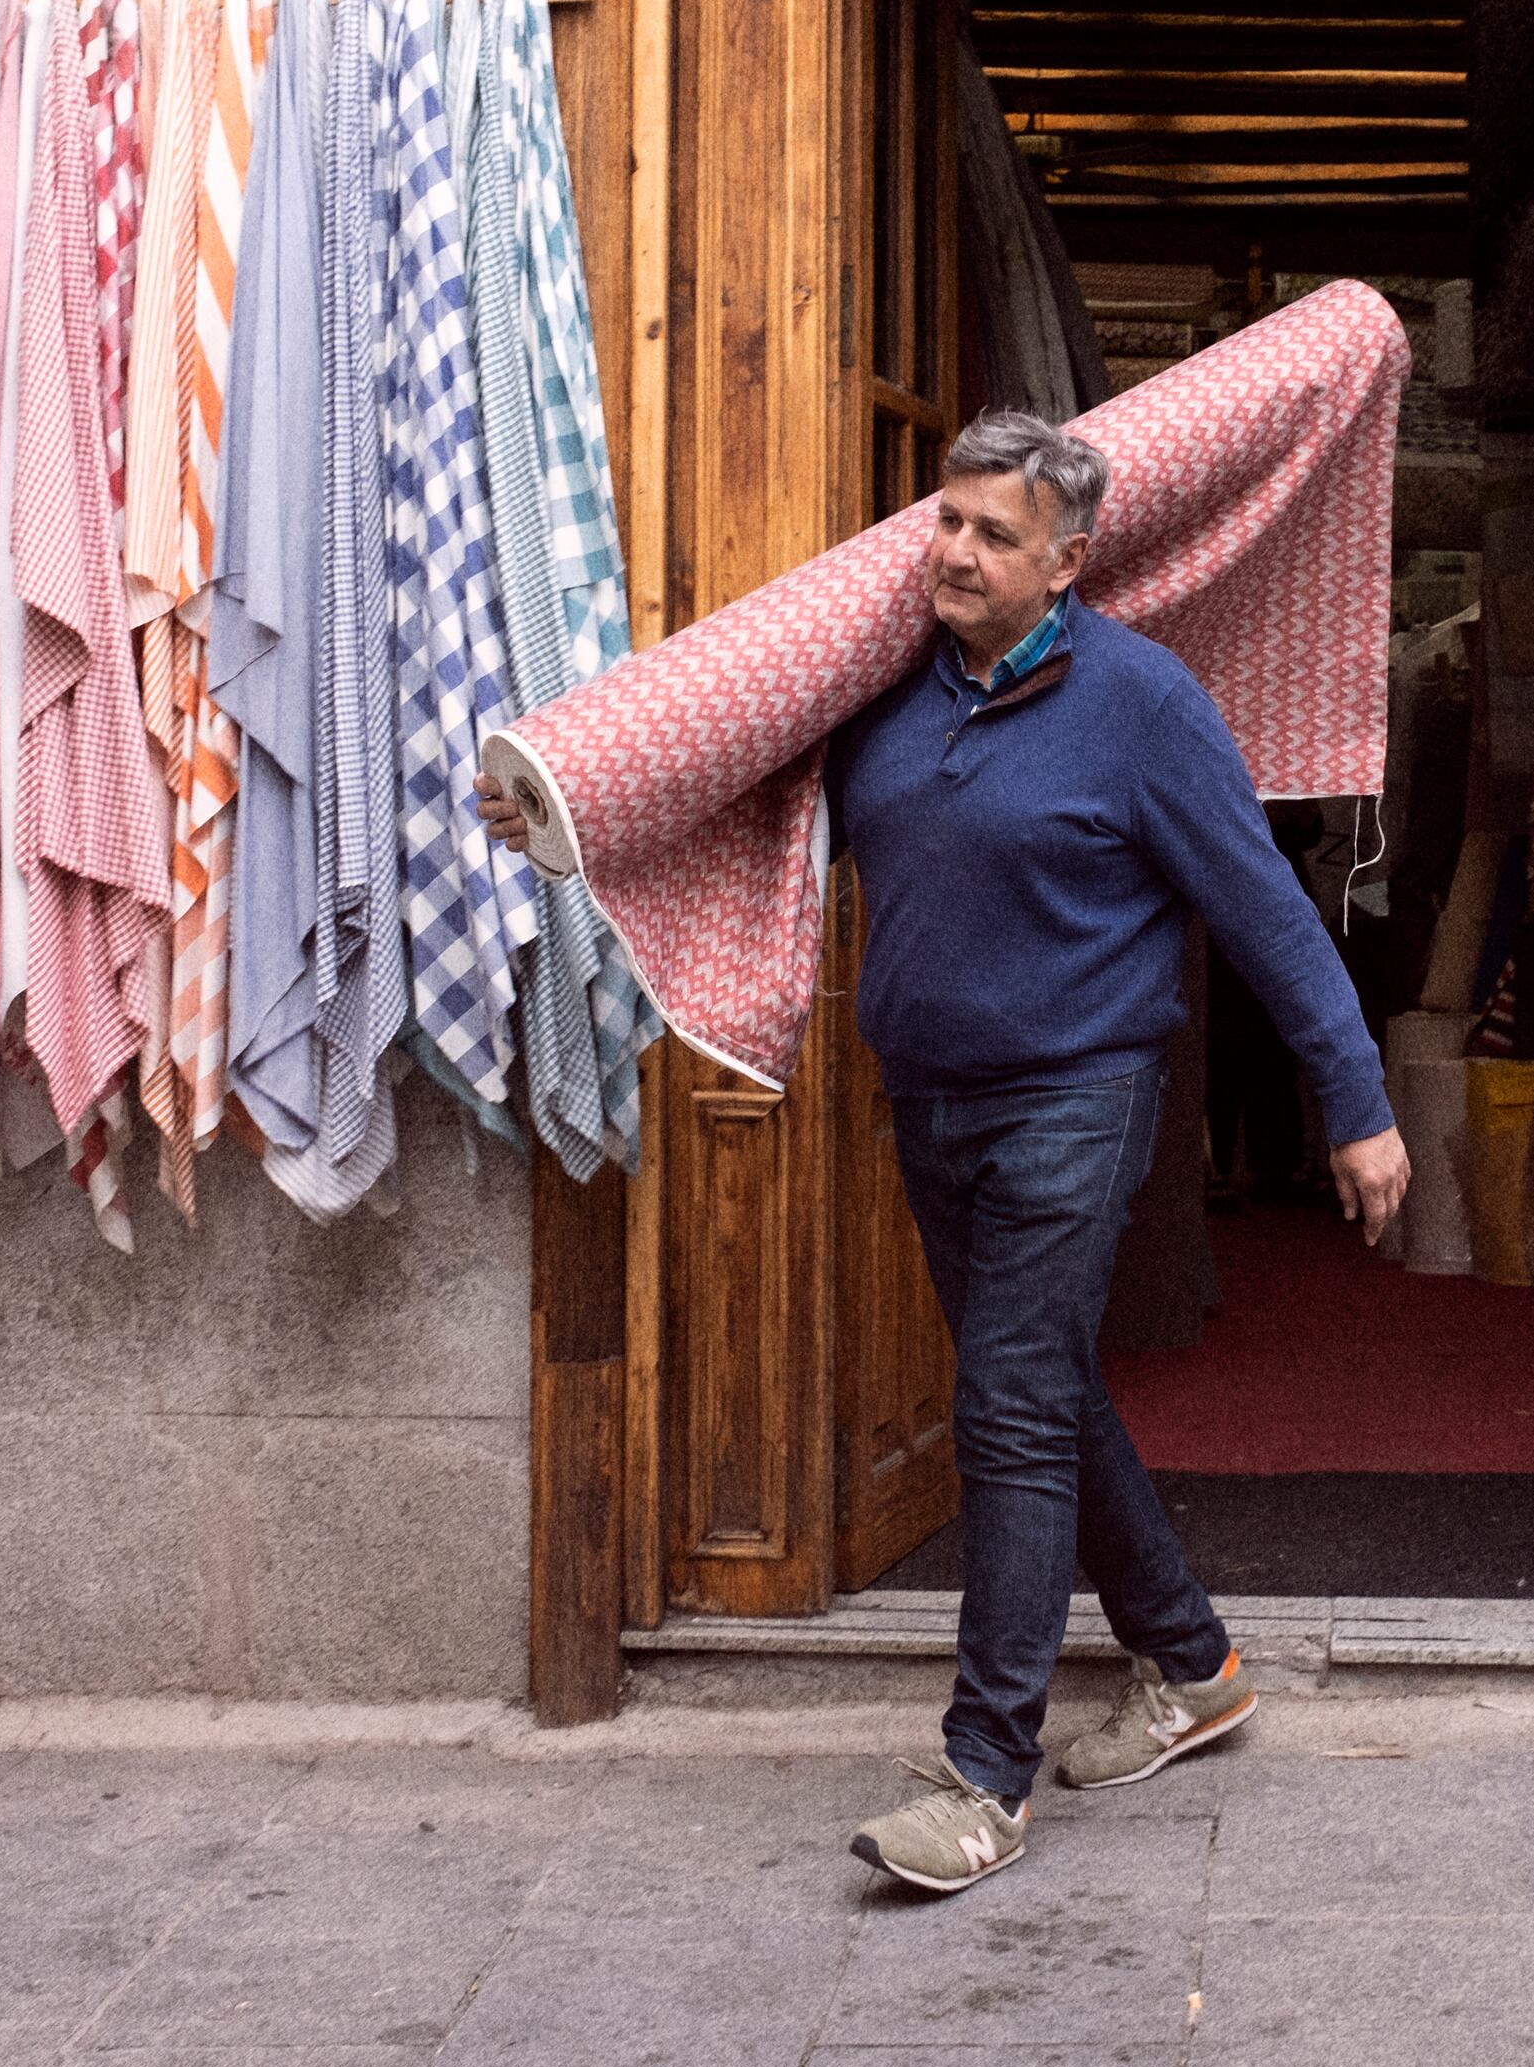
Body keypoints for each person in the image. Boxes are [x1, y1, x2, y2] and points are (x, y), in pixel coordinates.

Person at [482, 406, 1407, 1895]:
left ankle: (986, 1774)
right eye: (947, 522)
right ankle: (1196, 1662)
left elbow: (1264, 912)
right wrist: (567, 814)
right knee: (1037, 1386)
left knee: (1013, 1407)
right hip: (930, 1098)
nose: (956, 553)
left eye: (993, 533)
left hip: (1079, 1095)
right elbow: (738, 816)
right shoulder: (883, 697)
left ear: (1070, 558)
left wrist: (1355, 1101)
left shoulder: (1145, 706)